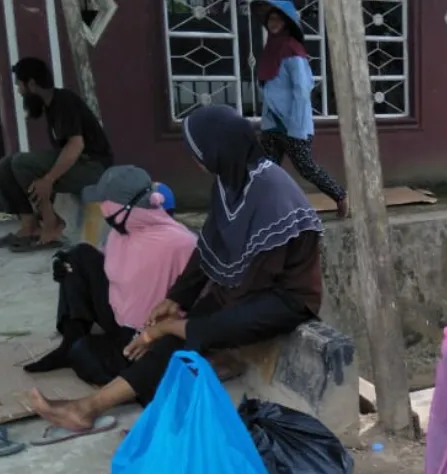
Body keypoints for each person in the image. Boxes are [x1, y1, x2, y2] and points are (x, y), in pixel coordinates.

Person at [28, 104, 324, 431]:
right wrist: (176, 298)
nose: (195, 160)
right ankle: (87, 409)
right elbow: (209, 246)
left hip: (283, 299)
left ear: (218, 150)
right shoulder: (230, 181)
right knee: (171, 337)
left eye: (198, 152)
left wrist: (180, 325)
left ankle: (103, 404)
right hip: (243, 285)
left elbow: (256, 281)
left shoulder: (271, 194)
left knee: (186, 331)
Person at [23, 165, 197, 386]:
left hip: (148, 332)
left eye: (106, 202)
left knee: (85, 354)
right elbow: (107, 267)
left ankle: (137, 379)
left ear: (126, 206)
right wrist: (67, 270)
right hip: (118, 313)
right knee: (77, 256)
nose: (102, 208)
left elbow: (196, 303)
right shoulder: (121, 231)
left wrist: (156, 335)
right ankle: (69, 342)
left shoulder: (181, 243)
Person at [0, 57, 114, 252]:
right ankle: (30, 226)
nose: (19, 91)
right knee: (5, 165)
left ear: (32, 84)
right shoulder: (50, 106)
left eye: (20, 85)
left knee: (21, 163)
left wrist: (48, 179)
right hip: (80, 164)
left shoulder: (64, 101)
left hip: (94, 166)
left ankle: (52, 225)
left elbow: (76, 144)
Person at [254, 0, 349, 218]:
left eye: (278, 19)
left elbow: (302, 89)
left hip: (293, 124)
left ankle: (340, 195)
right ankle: (268, 212)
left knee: (306, 167)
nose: (273, 23)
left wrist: (296, 127)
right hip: (272, 123)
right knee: (266, 170)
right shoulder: (270, 48)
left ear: (287, 23)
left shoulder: (292, 50)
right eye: (270, 19)